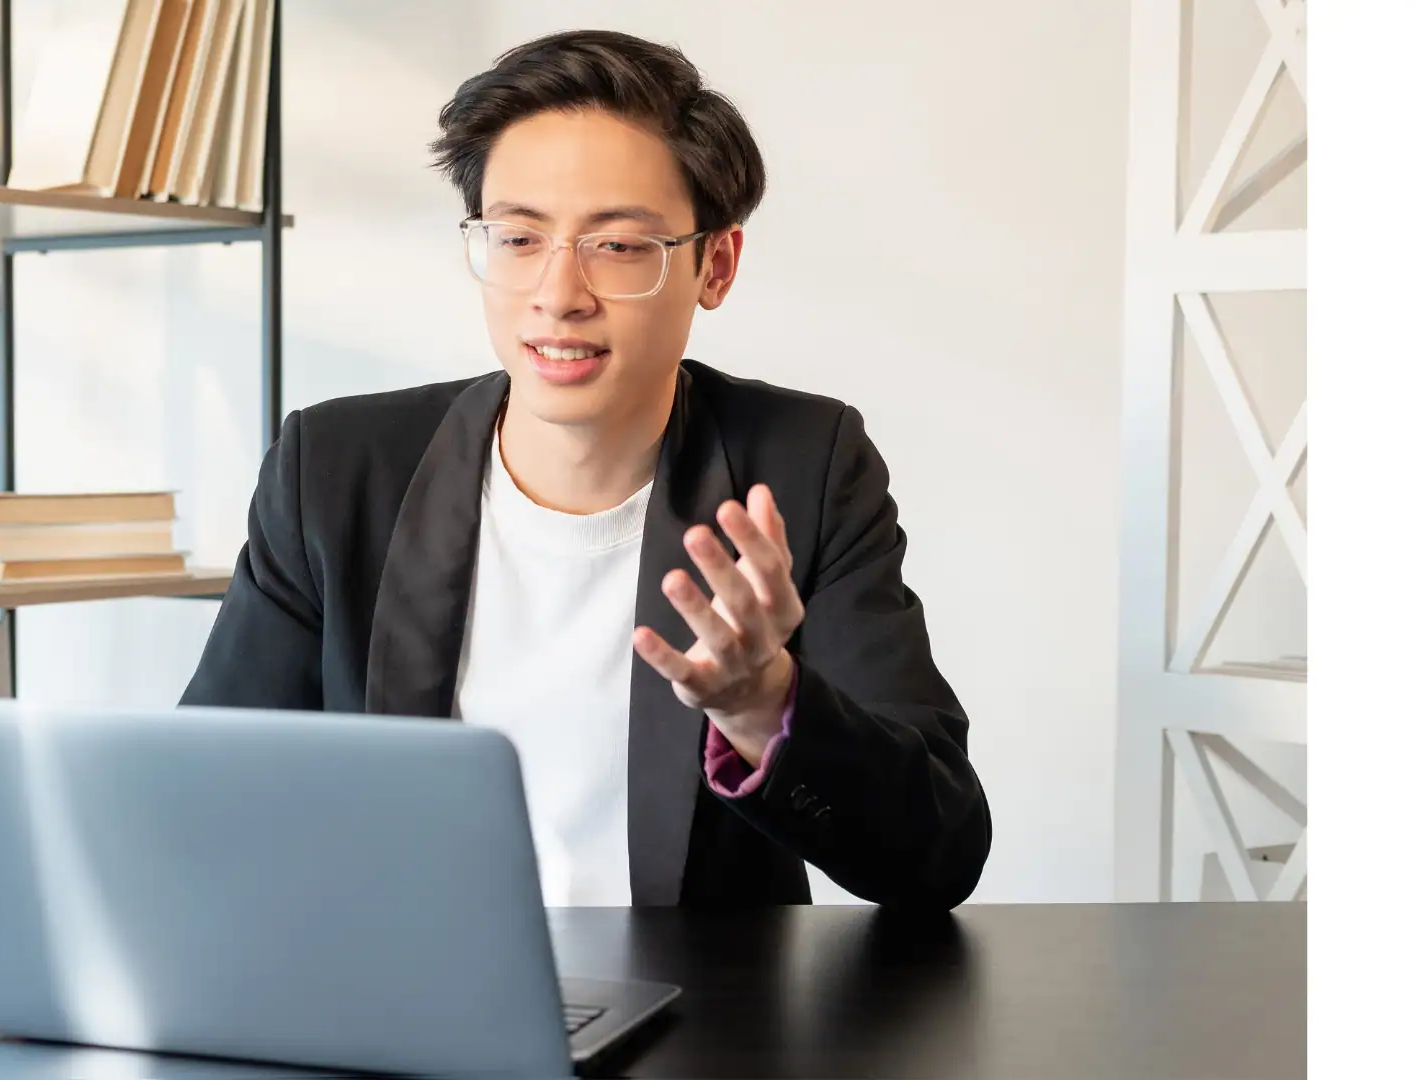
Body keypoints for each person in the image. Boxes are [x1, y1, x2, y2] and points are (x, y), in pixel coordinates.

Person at [182, 28, 991, 910]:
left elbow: (937, 855)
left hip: (697, 1024)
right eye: (520, 238)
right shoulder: (336, 471)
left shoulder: (802, 466)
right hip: (409, 1012)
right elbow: (201, 803)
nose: (558, 294)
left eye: (618, 246)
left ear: (713, 265)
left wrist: (767, 707)